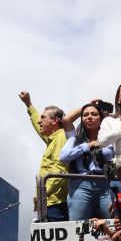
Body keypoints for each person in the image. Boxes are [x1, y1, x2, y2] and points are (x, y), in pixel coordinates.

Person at [19, 91, 75, 221]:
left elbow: (60, 170)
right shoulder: (52, 138)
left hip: (56, 204)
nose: (39, 121)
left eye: (43, 118)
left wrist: (42, 193)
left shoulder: (61, 137)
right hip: (47, 202)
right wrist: (28, 104)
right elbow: (37, 126)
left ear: (55, 121)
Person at [59, 102, 115, 221]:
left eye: (94, 114)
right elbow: (63, 156)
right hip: (81, 185)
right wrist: (87, 146)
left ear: (101, 119)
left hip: (106, 184)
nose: (89, 117)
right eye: (85, 115)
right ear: (82, 120)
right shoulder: (75, 139)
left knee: (115, 222)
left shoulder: (111, 137)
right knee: (77, 226)